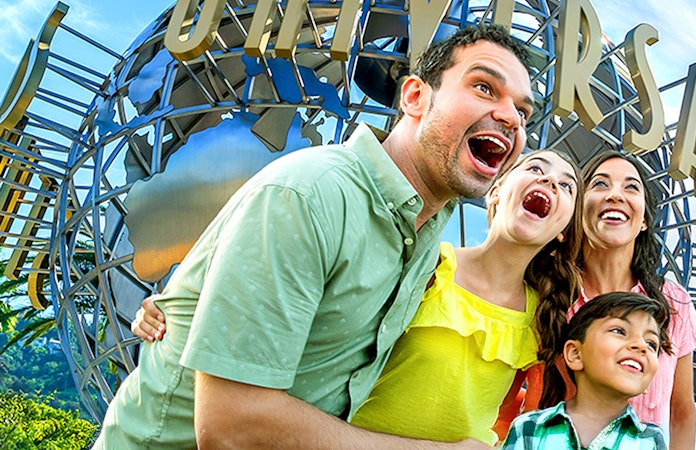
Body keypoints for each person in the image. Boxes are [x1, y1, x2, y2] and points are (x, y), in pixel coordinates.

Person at [94, 24, 534, 449]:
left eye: (523, 110)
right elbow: (232, 428)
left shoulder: (427, 231)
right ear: (415, 96)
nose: (510, 117)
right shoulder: (309, 195)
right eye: (483, 87)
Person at [134, 150, 585, 445]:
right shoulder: (426, 266)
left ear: (563, 229)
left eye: (567, 186)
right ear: (497, 192)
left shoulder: (548, 319)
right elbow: (300, 307)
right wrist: (175, 309)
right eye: (535, 169)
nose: (550, 183)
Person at [520, 150, 696, 448]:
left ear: (644, 220)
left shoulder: (674, 303)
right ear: (577, 209)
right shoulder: (542, 292)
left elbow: (682, 410)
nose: (615, 196)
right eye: (600, 185)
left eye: (631, 187)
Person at [502, 291, 670, 450]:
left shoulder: (651, 440)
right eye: (619, 331)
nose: (641, 346)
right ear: (575, 354)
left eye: (651, 343)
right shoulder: (528, 429)